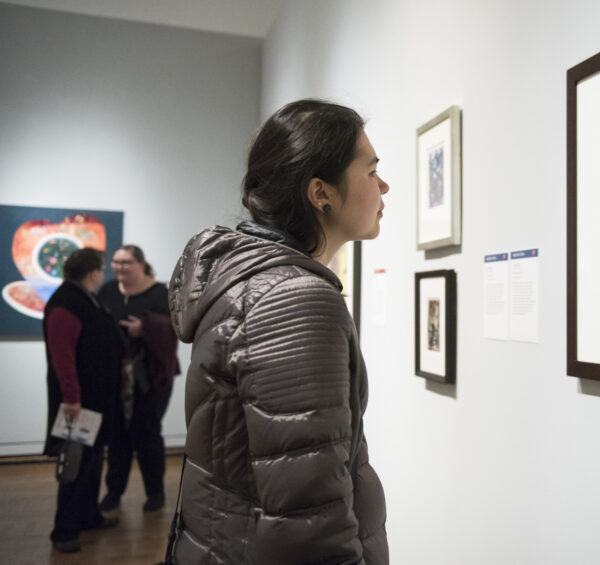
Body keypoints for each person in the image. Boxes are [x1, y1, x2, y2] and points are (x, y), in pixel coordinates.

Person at [165, 99, 390, 564]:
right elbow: (309, 521)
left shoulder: (252, 280)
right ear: (320, 193)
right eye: (371, 171)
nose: (384, 185)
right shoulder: (294, 299)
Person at [42, 248, 122, 553]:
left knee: (91, 463)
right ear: (92, 272)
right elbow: (63, 358)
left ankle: (89, 516)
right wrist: (72, 399)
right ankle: (64, 531)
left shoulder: (86, 298)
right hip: (79, 404)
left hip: (96, 401)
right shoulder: (65, 303)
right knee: (75, 466)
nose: (104, 273)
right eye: (102, 268)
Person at [97, 245, 179, 513]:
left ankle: (155, 493)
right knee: (116, 434)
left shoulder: (159, 293)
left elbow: (175, 329)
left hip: (152, 376)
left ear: (141, 264)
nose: (119, 267)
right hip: (115, 375)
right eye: (116, 262)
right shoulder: (108, 291)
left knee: (147, 433)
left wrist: (145, 329)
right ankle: (114, 492)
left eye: (126, 262)